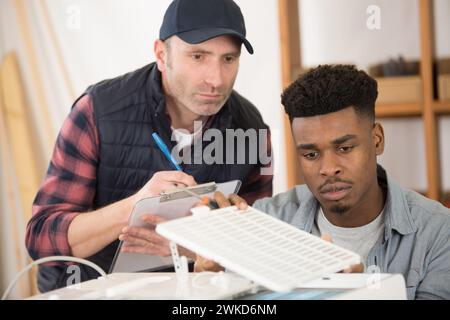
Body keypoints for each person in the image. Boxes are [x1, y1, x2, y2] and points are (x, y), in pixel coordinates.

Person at [26, 0, 273, 293]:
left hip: (189, 292)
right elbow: (41, 238)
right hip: (89, 290)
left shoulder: (251, 128)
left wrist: (197, 248)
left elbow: (257, 251)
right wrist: (135, 206)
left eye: (228, 59)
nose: (216, 79)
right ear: (161, 54)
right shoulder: (98, 111)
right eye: (198, 56)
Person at [195, 65, 450, 300]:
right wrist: (209, 284)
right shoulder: (267, 221)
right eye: (311, 154)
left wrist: (363, 295)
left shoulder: (438, 233)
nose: (328, 169)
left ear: (376, 140)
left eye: (345, 148)